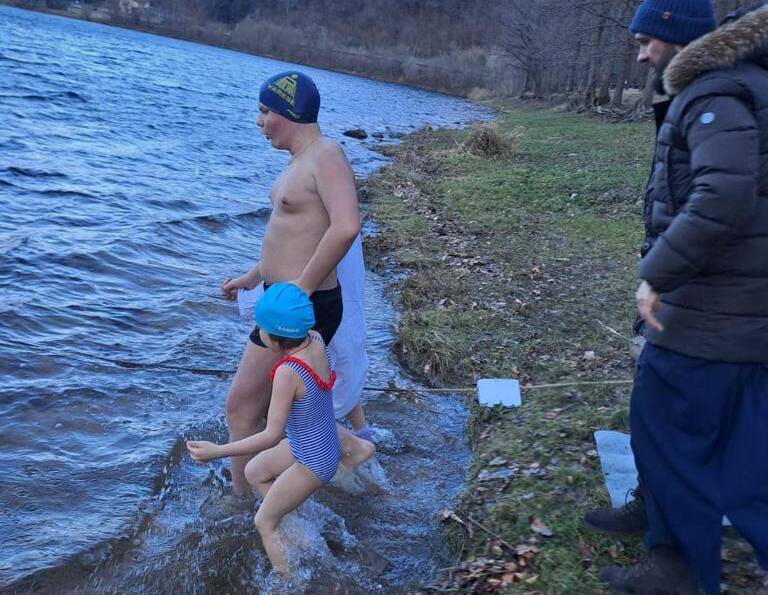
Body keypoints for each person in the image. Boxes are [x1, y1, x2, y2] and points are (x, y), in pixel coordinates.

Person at [599, 2, 768, 594]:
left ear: (683, 39)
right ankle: (663, 532)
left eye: (648, 41)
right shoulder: (746, 84)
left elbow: (724, 197)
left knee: (663, 432)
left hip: (708, 314)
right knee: (745, 460)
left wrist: (657, 274)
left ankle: (678, 568)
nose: (641, 54)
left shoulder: (713, 93)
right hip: (743, 314)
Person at [220, 71, 373, 496]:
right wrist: (252, 277)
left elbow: (346, 227)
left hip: (300, 307)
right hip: (285, 300)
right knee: (279, 407)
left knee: (242, 404)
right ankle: (325, 462)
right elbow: (292, 233)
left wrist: (300, 288)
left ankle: (242, 499)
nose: (259, 121)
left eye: (265, 111)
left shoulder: (327, 155)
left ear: (290, 113)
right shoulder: (299, 162)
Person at [188, 283, 362, 573]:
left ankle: (289, 580)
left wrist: (218, 451)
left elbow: (270, 435)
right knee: (254, 471)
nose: (259, 333)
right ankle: (301, 533)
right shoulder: (316, 340)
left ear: (274, 338)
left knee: (263, 522)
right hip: (319, 444)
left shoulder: (287, 372)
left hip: (313, 460)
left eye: (261, 328)